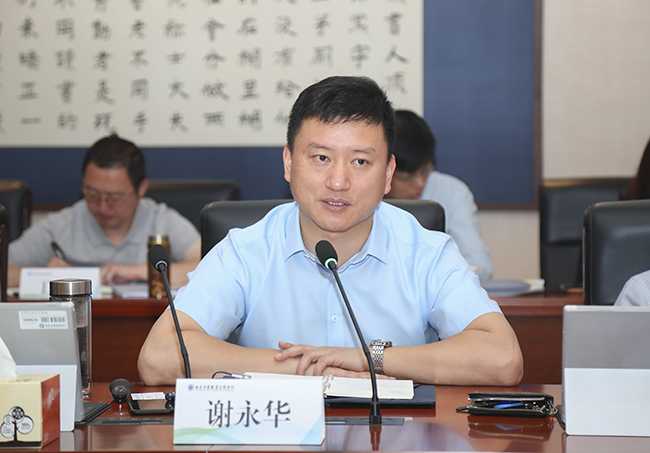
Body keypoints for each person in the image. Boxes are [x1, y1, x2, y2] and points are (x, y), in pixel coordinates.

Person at [138, 76, 523, 386]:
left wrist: (365, 358)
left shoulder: (426, 251)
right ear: (289, 162)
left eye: (360, 162)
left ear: (388, 173)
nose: (338, 181)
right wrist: (308, 368)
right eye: (321, 158)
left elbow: (503, 359)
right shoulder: (247, 250)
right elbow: (158, 358)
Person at [8, 134, 201, 288]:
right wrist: (44, 274)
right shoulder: (61, 225)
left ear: (141, 188)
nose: (102, 206)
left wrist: (137, 271)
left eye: (115, 197)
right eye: (92, 194)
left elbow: (206, 267)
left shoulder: (162, 220)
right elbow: (4, 271)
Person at [384, 110, 493, 281]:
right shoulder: (362, 197)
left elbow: (481, 267)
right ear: (385, 171)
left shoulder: (451, 191)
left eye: (425, 171)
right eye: (407, 177)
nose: (420, 183)